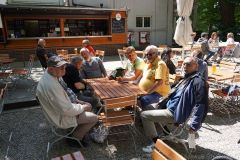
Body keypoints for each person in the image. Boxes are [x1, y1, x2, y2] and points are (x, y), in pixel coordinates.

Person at [141, 57, 208, 153]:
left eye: (188, 64)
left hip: (174, 113)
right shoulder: (186, 78)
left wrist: (194, 125)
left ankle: (156, 143)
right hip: (169, 106)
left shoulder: (198, 82)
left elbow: (201, 104)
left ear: (196, 66)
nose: (185, 66)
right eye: (184, 64)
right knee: (147, 105)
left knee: (144, 115)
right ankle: (166, 131)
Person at [36, 56, 98, 146]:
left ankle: (79, 129)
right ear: (51, 69)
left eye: (65, 67)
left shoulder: (53, 75)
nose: (64, 70)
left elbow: (67, 92)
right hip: (60, 116)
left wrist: (79, 101)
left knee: (88, 105)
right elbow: (67, 110)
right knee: (94, 117)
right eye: (61, 68)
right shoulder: (51, 86)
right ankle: (74, 139)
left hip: (62, 109)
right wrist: (83, 107)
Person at [138, 45, 170, 110]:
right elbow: (142, 76)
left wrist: (147, 93)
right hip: (147, 92)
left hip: (159, 94)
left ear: (156, 54)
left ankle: (146, 117)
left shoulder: (160, 64)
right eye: (146, 54)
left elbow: (159, 82)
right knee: (131, 96)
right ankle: (136, 115)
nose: (148, 56)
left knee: (144, 99)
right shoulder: (148, 63)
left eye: (150, 54)